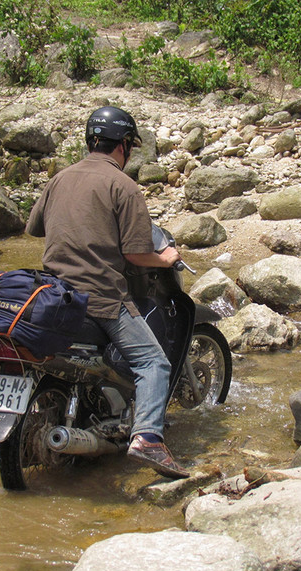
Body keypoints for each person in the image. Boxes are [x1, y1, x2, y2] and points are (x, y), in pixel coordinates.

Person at [25, 106, 189, 480]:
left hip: (54, 293)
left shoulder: (59, 179)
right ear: (125, 147)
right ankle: (148, 438)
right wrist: (165, 258)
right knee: (153, 362)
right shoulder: (124, 186)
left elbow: (33, 229)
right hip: (102, 299)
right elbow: (134, 253)